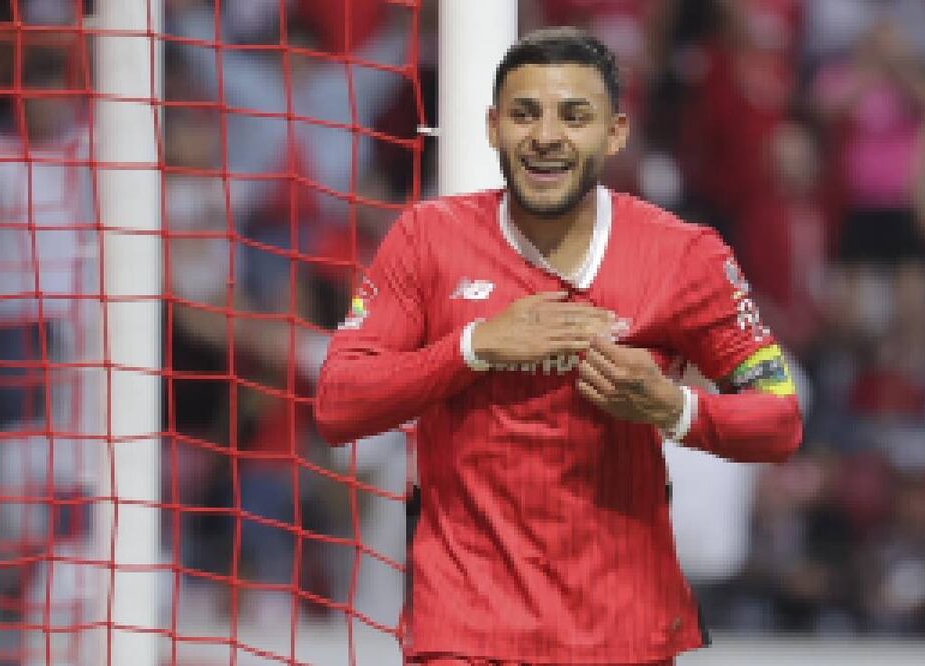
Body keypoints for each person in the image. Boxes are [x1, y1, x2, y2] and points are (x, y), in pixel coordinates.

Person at [314, 27, 803, 665]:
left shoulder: (684, 256)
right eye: (525, 114)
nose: (546, 135)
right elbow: (336, 404)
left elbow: (780, 421)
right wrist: (473, 347)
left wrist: (673, 408)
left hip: (622, 629)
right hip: (465, 628)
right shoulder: (426, 239)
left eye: (575, 117)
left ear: (616, 132)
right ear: (492, 128)